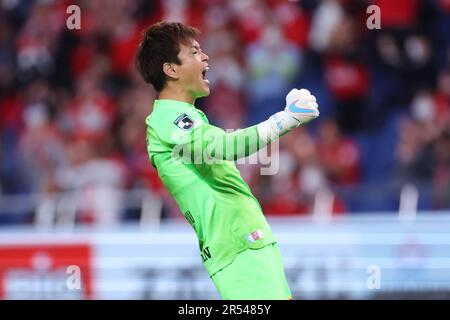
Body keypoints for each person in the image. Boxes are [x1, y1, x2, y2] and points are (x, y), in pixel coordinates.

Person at [135, 22, 319, 300]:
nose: (205, 57)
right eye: (195, 52)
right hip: (237, 244)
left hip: (245, 241)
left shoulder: (188, 119)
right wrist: (285, 120)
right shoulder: (168, 118)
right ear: (171, 69)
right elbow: (224, 145)